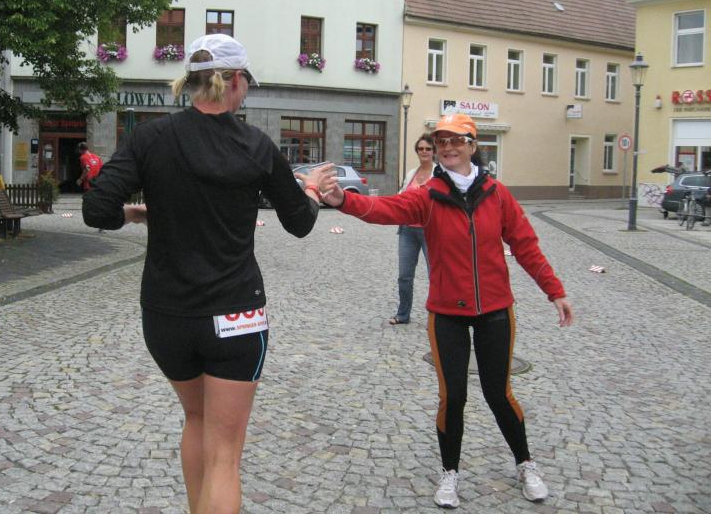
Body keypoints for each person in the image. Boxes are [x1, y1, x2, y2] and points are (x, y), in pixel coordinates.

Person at [82, 34, 337, 514]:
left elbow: (97, 209)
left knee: (196, 420)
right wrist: (311, 191)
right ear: (236, 80)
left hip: (167, 316)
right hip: (236, 315)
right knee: (224, 455)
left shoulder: (151, 137)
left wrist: (133, 215)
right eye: (247, 82)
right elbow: (299, 224)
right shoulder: (257, 145)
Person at [322, 113, 574, 508]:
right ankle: (449, 473)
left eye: (456, 140)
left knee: (498, 394)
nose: (448, 147)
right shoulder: (428, 195)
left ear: (473, 145)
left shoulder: (497, 194)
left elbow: (525, 245)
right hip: (446, 313)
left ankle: (526, 464)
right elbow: (385, 208)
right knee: (452, 397)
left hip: (495, 310)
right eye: (442, 141)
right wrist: (342, 200)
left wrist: (554, 291)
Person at [390, 133, 434, 325]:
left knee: (435, 275)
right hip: (408, 229)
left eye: (428, 149)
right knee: (404, 275)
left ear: (434, 151)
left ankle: (437, 318)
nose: (424, 152)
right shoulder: (411, 174)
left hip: (430, 231)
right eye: (421, 149)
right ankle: (403, 314)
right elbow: (401, 197)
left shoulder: (439, 174)